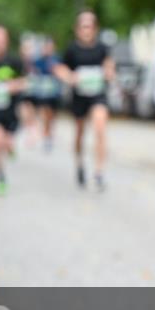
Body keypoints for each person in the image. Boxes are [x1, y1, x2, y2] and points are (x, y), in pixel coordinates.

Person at [56, 11, 113, 191]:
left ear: (95, 28)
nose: (86, 30)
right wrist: (70, 77)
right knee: (80, 131)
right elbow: (60, 68)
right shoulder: (72, 49)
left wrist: (109, 73)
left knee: (100, 127)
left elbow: (109, 66)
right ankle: (80, 163)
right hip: (79, 96)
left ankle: (99, 172)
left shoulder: (102, 48)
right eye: (83, 26)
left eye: (89, 26)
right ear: (77, 29)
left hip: (97, 93)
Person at [0, 26, 26, 195]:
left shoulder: (15, 61)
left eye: (0, 41)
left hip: (10, 111)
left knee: (6, 142)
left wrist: (12, 86)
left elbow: (24, 82)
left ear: (6, 42)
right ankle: (0, 178)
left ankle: (10, 147)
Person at [31, 38, 62, 152]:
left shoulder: (57, 60)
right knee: (44, 112)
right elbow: (34, 72)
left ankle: (49, 134)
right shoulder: (38, 60)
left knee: (51, 115)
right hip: (42, 92)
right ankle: (45, 135)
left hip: (54, 93)